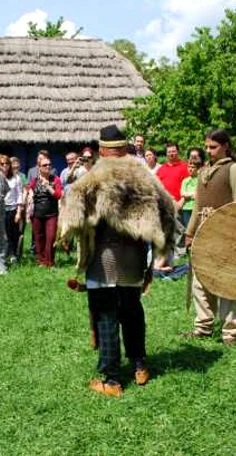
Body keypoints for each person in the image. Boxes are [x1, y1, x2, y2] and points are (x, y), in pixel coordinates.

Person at [60, 124, 176, 397]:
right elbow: (168, 207)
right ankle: (139, 366)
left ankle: (112, 380)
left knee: (106, 316)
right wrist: (161, 246)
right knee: (132, 311)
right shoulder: (144, 174)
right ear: (125, 148)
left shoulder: (95, 175)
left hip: (105, 258)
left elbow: (73, 206)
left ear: (102, 150)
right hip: (135, 257)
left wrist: (66, 232)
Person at [183, 130, 236, 346]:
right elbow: (197, 208)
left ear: (226, 146)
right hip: (203, 233)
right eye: (207, 147)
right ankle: (203, 326)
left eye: (213, 147)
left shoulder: (235, 170)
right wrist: (190, 232)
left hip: (225, 234)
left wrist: (234, 235)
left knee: (226, 282)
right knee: (200, 281)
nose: (208, 151)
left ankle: (230, 331)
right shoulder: (203, 172)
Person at [28, 155, 62, 267]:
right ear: (39, 167)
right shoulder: (35, 180)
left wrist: (48, 186)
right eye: (45, 165)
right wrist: (30, 194)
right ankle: (41, 261)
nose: (48, 166)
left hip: (51, 214)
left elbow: (58, 195)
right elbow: (29, 188)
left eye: (49, 164)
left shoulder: (55, 179)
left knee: (51, 238)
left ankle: (49, 262)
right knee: (39, 238)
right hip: (37, 214)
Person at [0, 155, 25, 263]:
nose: (4, 166)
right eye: (2, 164)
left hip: (13, 209)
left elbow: (19, 194)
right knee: (2, 234)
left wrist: (19, 212)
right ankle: (3, 255)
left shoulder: (16, 178)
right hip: (0, 210)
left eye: (7, 163)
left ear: (10, 165)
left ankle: (13, 254)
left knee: (13, 233)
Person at [178, 161, 200, 228]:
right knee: (187, 228)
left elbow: (198, 194)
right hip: (186, 208)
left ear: (197, 169)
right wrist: (192, 194)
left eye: (193, 167)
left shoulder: (199, 179)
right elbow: (182, 193)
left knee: (196, 228)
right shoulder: (185, 181)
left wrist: (188, 195)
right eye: (189, 167)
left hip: (196, 208)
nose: (190, 169)